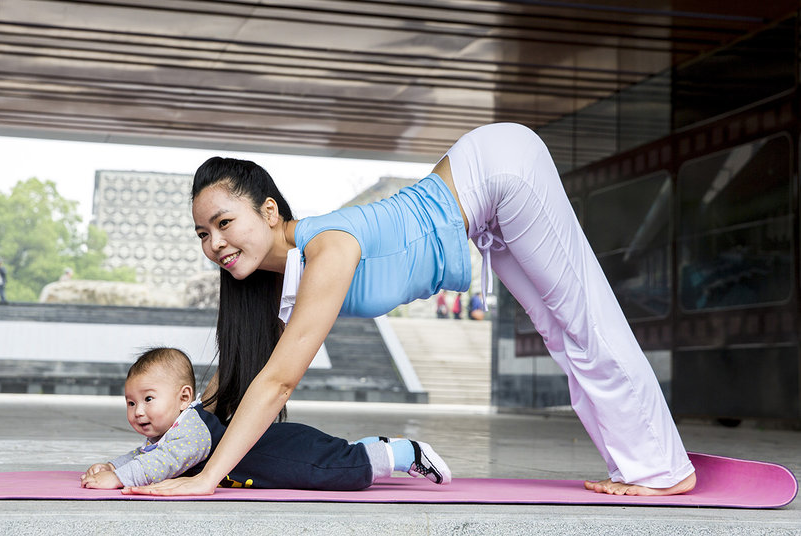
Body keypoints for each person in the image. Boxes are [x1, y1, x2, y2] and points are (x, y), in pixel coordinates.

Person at [127, 122, 695, 498]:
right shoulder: (278, 283)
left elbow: (277, 383)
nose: (214, 243)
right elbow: (247, 378)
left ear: (270, 211)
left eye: (225, 222)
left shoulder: (329, 248)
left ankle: (662, 470)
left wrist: (203, 480)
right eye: (202, 233)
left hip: (499, 171)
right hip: (482, 206)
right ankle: (640, 462)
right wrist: (175, 442)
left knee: (580, 319)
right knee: (557, 328)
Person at [83, 347, 451, 490]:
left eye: (148, 399)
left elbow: (165, 462)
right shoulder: (168, 433)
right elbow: (147, 455)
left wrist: (118, 478)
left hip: (282, 454)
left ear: (183, 399)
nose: (139, 411)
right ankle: (374, 447)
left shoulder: (190, 430)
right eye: (131, 403)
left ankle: (407, 453)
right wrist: (111, 465)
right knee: (338, 454)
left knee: (338, 472)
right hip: (279, 452)